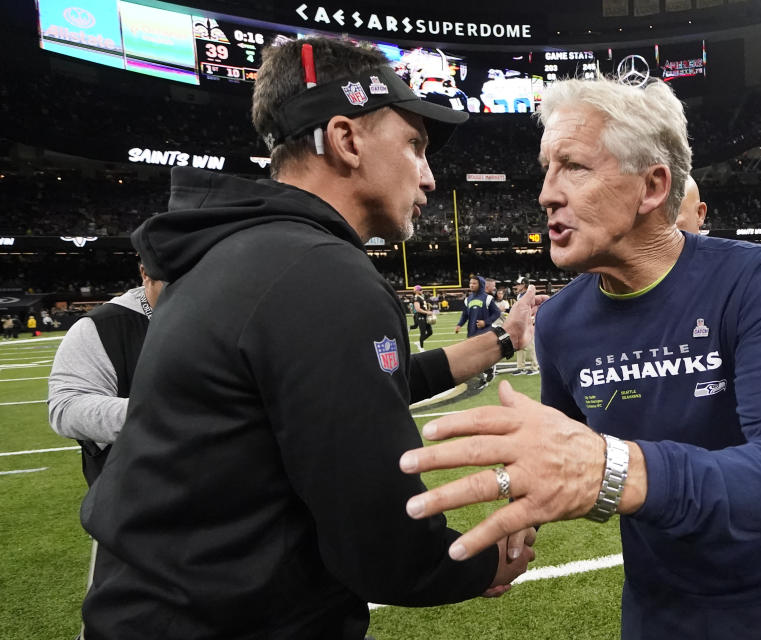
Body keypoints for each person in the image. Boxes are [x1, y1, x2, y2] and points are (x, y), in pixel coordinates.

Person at [79, 36, 539, 640]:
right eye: (415, 145)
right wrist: (484, 559)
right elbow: (379, 544)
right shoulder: (320, 273)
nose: (428, 177)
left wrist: (499, 343)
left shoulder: (238, 254)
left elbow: (330, 391)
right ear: (347, 140)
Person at [400, 76, 761, 640]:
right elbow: (564, 453)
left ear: (652, 187)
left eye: (574, 167)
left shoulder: (750, 277)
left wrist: (613, 469)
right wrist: (522, 505)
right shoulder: (559, 323)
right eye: (546, 168)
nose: (546, 194)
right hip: (655, 603)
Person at [48, 263, 164, 486]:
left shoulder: (229, 312)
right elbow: (67, 406)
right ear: (145, 274)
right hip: (137, 492)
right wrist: (167, 414)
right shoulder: (103, 326)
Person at [455, 275, 501, 387]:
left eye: (474, 283)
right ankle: (488, 371)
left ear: (480, 284)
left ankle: (485, 375)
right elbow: (465, 315)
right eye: (470, 283)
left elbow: (497, 313)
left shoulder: (488, 298)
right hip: (472, 332)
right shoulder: (468, 299)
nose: (471, 285)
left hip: (484, 332)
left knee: (479, 357)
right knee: (474, 357)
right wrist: (459, 324)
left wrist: (485, 322)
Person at [511, 276, 539, 376]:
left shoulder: (529, 294)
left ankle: (535, 367)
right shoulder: (520, 296)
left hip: (528, 322)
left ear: (523, 285)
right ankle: (520, 367)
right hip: (520, 323)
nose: (516, 286)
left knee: (530, 345)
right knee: (519, 346)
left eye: (518, 284)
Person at [411, 284, 432, 352]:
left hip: (425, 316)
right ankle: (421, 347)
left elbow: (423, 307)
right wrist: (427, 312)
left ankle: (419, 342)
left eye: (421, 289)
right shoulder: (416, 298)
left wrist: (428, 311)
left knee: (430, 332)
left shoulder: (421, 297)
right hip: (420, 316)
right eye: (420, 289)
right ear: (416, 291)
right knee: (423, 332)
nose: (422, 290)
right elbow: (417, 309)